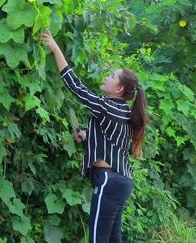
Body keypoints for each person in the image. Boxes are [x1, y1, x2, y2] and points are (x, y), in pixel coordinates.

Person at [41, 29, 148, 243]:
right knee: (113, 240)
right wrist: (87, 135)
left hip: (108, 181)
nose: (107, 77)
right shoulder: (125, 112)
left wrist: (55, 49)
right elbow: (113, 141)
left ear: (118, 88)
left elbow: (76, 87)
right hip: (122, 181)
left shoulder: (107, 107)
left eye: (111, 76)